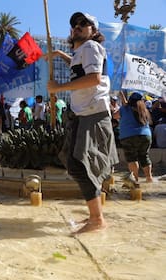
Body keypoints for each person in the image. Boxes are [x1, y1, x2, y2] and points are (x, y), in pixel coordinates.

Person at [46, 12, 118, 234]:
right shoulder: (80, 52)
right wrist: (60, 54)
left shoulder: (90, 47)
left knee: (79, 163)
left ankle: (97, 219)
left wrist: (58, 88)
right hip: (83, 113)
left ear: (94, 31)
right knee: (74, 161)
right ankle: (95, 215)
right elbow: (80, 68)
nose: (77, 27)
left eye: (83, 24)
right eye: (74, 24)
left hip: (92, 113)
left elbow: (94, 78)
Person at [119, 91, 153, 184]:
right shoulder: (144, 110)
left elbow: (115, 115)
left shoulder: (124, 109)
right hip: (146, 136)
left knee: (132, 158)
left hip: (128, 136)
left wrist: (121, 96)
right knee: (144, 156)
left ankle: (135, 181)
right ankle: (149, 178)